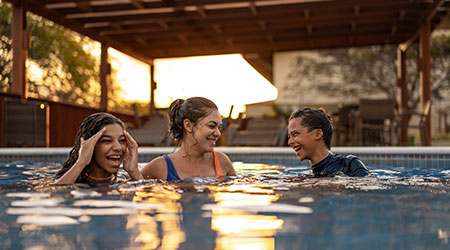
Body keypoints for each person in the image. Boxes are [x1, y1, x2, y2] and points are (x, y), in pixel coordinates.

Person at [141, 97, 236, 181]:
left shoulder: (221, 161)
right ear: (188, 125)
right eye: (211, 126)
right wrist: (132, 170)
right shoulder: (161, 166)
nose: (218, 134)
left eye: (219, 128)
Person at [54, 113, 143, 184]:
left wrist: (134, 172)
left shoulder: (125, 180)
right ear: (89, 145)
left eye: (122, 140)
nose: (118, 148)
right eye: (107, 141)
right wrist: (81, 162)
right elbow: (56, 195)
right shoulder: (72, 182)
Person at [288, 108, 369, 177]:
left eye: (295, 134)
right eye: (289, 137)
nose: (289, 142)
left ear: (318, 134)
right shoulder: (309, 177)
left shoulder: (349, 165)